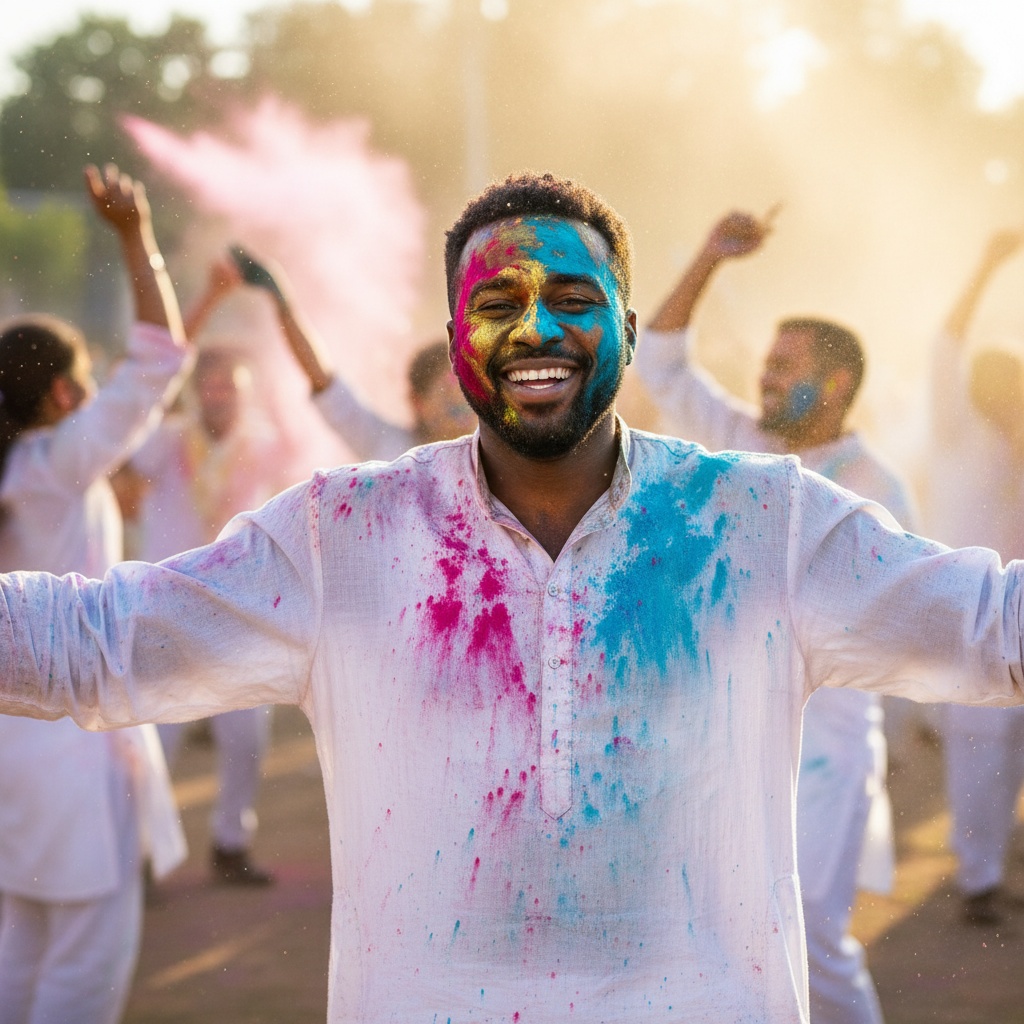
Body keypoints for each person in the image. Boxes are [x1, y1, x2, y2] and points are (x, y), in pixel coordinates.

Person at [2, 172, 1024, 1024]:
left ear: (628, 324)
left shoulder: (764, 521)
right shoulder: (340, 537)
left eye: (574, 300)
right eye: (497, 303)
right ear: (454, 338)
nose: (537, 327)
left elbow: (989, 624)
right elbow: (91, 643)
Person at [635, 209, 911, 1024]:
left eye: (782, 367)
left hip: (823, 755)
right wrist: (710, 256)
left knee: (812, 947)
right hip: (723, 742)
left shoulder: (873, 487)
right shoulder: (740, 442)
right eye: (764, 363)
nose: (761, 380)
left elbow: (895, 618)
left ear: (834, 386)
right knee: (726, 942)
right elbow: (662, 360)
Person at [0, 164, 189, 1024]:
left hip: (16, 745)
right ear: (65, 396)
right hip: (70, 742)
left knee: (21, 952)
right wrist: (132, 235)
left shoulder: (23, 468)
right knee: (82, 969)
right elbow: (157, 363)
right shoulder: (56, 463)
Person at [132, 258, 286, 886]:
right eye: (210, 385)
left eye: (231, 386)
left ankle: (230, 841)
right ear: (197, 392)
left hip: (237, 610)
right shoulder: (166, 442)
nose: (219, 395)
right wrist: (202, 302)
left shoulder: (267, 444)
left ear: (246, 392)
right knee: (158, 743)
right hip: (168, 605)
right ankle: (142, 855)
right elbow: (151, 384)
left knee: (246, 736)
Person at [926, 229, 1024, 926]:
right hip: (967, 616)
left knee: (1007, 745)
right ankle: (978, 879)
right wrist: (986, 265)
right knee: (980, 749)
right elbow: (944, 347)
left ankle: (993, 865)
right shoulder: (958, 429)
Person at [230, 246, 475, 459]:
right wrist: (282, 300)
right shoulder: (386, 445)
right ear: (417, 402)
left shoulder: (496, 462)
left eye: (468, 391)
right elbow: (321, 376)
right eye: (449, 396)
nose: (463, 405)